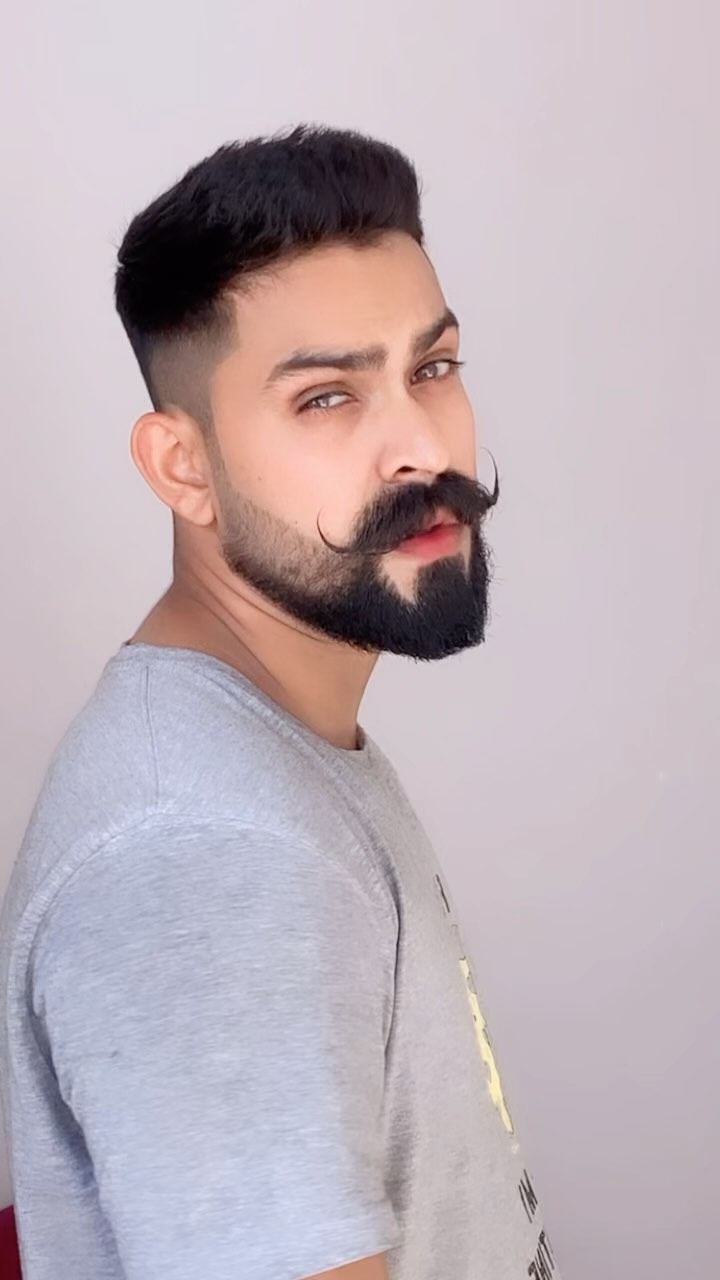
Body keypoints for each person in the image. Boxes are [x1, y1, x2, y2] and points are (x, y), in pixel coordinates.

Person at [0, 126, 560, 1280]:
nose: (421, 446)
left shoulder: (269, 756)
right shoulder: (206, 852)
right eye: (326, 397)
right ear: (183, 466)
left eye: (433, 368)